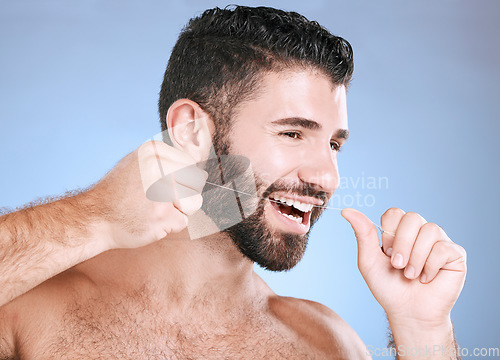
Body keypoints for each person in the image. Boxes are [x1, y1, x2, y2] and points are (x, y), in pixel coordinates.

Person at [0, 6, 466, 359]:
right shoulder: (28, 307)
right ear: (191, 131)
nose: (326, 176)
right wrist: (93, 216)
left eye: (334, 144)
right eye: (292, 133)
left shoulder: (323, 345)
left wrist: (424, 332)